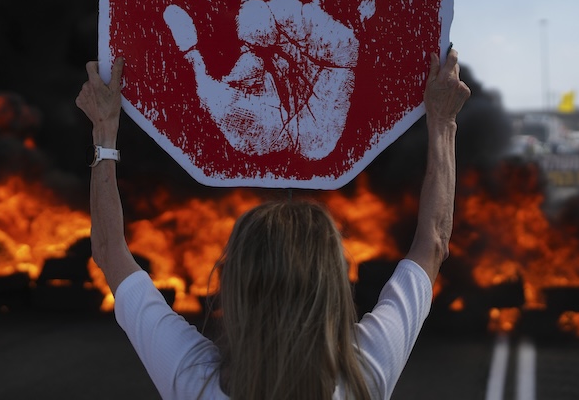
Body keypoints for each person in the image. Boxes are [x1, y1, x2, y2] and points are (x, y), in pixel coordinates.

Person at [75, 49, 470, 399]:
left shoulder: (191, 379)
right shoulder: (366, 374)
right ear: (333, 287)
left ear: (232, 286)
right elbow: (434, 241)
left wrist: (104, 129)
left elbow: (109, 250)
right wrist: (443, 123)